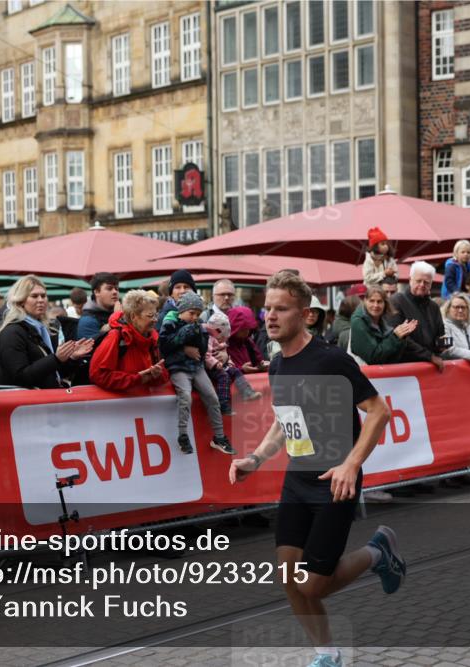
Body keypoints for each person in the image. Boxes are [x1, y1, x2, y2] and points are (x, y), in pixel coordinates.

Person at [228, 270, 403, 667]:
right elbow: (283, 422)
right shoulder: (276, 365)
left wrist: (350, 464)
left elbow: (378, 412)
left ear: (305, 315)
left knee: (312, 585)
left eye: (281, 309)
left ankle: (378, 553)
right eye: (267, 308)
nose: (270, 316)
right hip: (297, 479)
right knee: (289, 578)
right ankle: (327, 654)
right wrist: (255, 458)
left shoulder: (331, 360)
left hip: (334, 481)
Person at [159, 291, 236, 456]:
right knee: (185, 397)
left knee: (213, 398)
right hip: (178, 368)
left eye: (197, 314)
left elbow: (203, 349)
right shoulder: (169, 322)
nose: (195, 317)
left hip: (196, 367)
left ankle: (219, 437)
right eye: (191, 313)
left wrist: (199, 336)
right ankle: (183, 435)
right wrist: (185, 345)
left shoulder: (200, 325)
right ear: (182, 311)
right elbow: (164, 347)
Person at [0, 275, 93, 388]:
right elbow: (20, 377)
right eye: (34, 296)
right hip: (26, 402)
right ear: (21, 301)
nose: (41, 300)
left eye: (43, 295)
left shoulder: (42, 329)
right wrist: (56, 358)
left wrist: (72, 358)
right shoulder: (12, 332)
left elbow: (55, 373)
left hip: (45, 399)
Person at [89, 289, 169, 392]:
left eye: (156, 315)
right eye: (150, 316)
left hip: (143, 404)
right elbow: (98, 375)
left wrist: (157, 375)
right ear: (133, 316)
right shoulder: (116, 337)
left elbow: (164, 376)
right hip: (119, 406)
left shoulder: (153, 339)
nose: (156, 320)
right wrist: (137, 378)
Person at [387, 261, 445, 371]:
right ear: (410, 280)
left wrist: (442, 345)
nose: (422, 285)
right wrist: (430, 356)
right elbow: (401, 339)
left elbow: (440, 335)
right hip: (404, 368)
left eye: (426, 282)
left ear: (431, 284)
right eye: (418, 281)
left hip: (431, 368)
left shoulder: (434, 307)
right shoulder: (396, 301)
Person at [203, 310, 262, 414]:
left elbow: (225, 354)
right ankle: (224, 404)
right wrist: (216, 363)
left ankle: (247, 392)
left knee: (235, 371)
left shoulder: (246, 342)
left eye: (249, 329)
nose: (247, 332)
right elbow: (207, 354)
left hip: (223, 365)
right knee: (224, 377)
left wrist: (229, 362)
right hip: (213, 368)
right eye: (243, 329)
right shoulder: (209, 340)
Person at [348, 285, 416, 365]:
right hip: (362, 374)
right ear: (365, 301)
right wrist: (395, 337)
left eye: (379, 301)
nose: (375, 305)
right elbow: (373, 357)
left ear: (385, 303)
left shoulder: (384, 322)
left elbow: (391, 358)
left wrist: (401, 336)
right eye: (372, 301)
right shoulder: (358, 322)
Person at [77, 272, 120, 339]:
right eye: (109, 288)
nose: (115, 292)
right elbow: (95, 348)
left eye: (116, 289)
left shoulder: (123, 314)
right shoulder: (88, 321)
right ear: (96, 292)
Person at [227, 306, 269, 372]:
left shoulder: (248, 342)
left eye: (248, 328)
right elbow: (220, 369)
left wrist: (262, 364)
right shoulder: (224, 345)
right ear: (234, 327)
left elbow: (258, 360)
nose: (247, 332)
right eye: (243, 329)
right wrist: (241, 369)